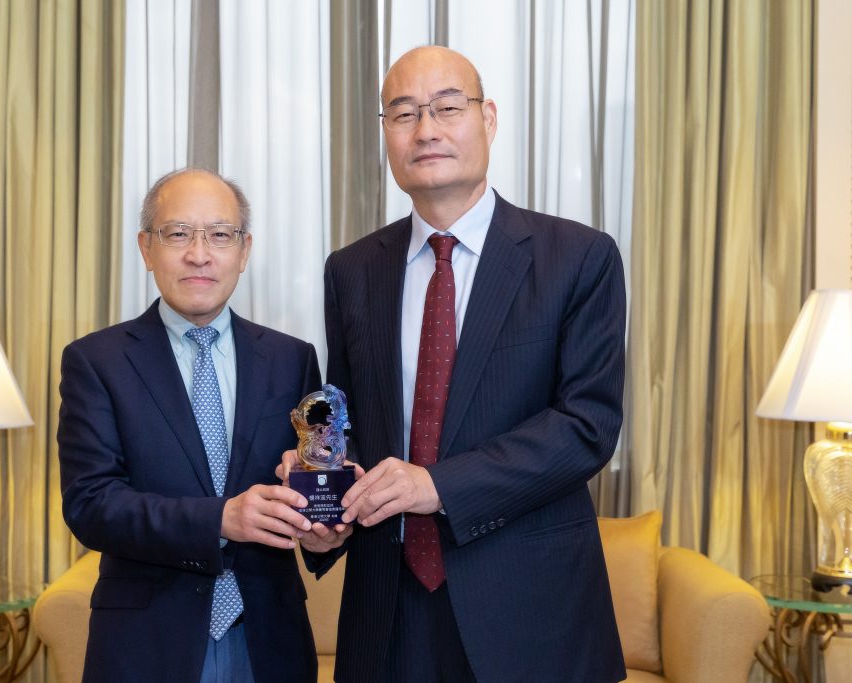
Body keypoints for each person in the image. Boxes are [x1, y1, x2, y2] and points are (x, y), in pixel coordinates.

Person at [282, 46, 627, 682]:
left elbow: (586, 427)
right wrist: (322, 489)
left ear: (488, 119)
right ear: (386, 132)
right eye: (404, 113)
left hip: (529, 605)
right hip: (387, 609)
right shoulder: (352, 270)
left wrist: (436, 485)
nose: (426, 130)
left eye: (447, 108)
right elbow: (345, 417)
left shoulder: (578, 256)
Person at [58, 168, 320, 683]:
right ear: (146, 248)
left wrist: (325, 529)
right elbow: (91, 504)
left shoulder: (292, 359)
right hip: (147, 643)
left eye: (220, 235)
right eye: (178, 233)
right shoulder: (97, 361)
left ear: (243, 251)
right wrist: (219, 519)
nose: (199, 254)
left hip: (269, 639)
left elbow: (311, 478)